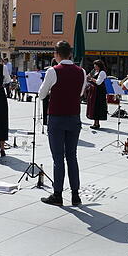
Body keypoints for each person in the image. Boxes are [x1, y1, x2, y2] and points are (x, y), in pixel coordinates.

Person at [38, 41, 86, 207]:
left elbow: (41, 94)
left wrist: (53, 90)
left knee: (58, 158)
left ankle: (57, 194)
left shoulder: (53, 70)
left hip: (57, 118)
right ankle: (75, 195)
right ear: (70, 54)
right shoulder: (82, 71)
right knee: (72, 156)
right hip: (74, 117)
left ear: (57, 54)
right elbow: (80, 92)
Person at [86, 59, 108, 129]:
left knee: (97, 107)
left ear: (99, 66)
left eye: (95, 66)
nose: (94, 67)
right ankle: (95, 122)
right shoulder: (95, 71)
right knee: (94, 107)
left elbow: (98, 82)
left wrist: (91, 78)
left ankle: (97, 123)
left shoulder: (102, 73)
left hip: (99, 93)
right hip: (94, 92)